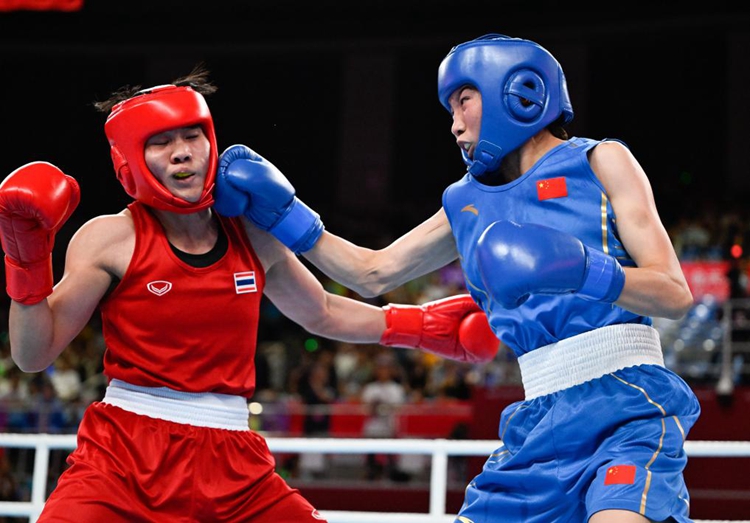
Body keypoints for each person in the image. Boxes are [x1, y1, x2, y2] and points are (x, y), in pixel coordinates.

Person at [212, 34, 702, 523]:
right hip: (539, 418)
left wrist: (583, 268)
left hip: (627, 402)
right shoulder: (466, 202)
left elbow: (675, 293)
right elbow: (371, 271)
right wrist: (283, 215)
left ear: (518, 91)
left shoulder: (599, 161)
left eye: (463, 101)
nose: (454, 124)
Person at [0, 66, 499, 522]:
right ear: (129, 159)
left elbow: (321, 311)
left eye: (192, 135)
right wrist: (27, 261)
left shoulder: (252, 231)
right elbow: (32, 354)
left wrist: (423, 326)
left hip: (235, 463)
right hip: (123, 457)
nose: (182, 152)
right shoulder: (110, 237)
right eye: (161, 141)